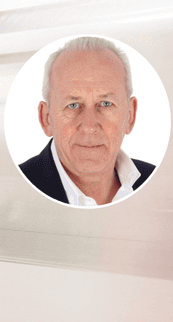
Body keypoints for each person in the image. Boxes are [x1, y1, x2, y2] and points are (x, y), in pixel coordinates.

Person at [19, 37, 155, 207]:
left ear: (130, 115)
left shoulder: (159, 183)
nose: (89, 127)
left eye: (106, 104)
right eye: (73, 105)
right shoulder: (17, 189)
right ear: (46, 118)